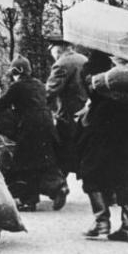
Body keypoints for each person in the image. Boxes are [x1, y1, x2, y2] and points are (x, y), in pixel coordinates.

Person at [77, 50, 128, 243]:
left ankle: (101, 222)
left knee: (91, 168)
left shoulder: (97, 59)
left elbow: (92, 90)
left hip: (104, 122)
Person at [0, 55, 68, 211]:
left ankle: (29, 200)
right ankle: (59, 187)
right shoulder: (39, 85)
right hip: (48, 125)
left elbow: (2, 103)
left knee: (24, 164)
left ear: (18, 71)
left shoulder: (18, 86)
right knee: (46, 160)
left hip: (31, 127)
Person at [45, 36, 88, 176]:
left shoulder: (61, 64)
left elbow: (49, 92)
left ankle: (59, 190)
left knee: (60, 156)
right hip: (87, 115)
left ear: (57, 49)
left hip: (68, 118)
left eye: (51, 50)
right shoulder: (84, 59)